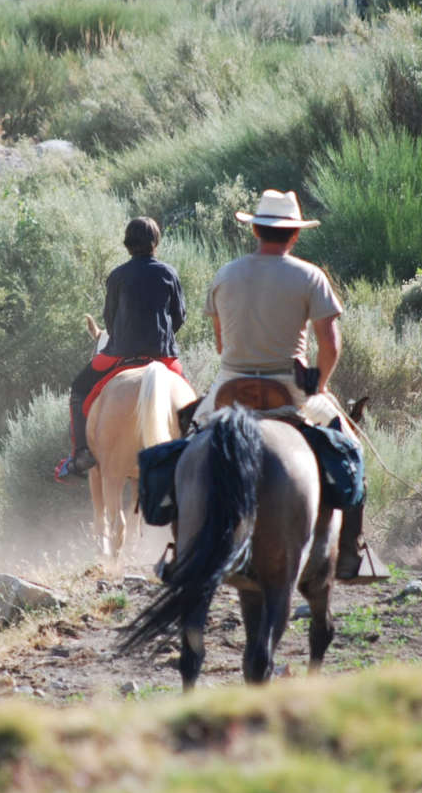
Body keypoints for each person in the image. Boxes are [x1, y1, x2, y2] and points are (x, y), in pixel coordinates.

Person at [192, 188, 371, 580]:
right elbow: (330, 344)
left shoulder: (225, 274)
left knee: (187, 439)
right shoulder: (310, 276)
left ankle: (180, 540)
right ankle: (351, 553)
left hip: (229, 385)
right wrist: (319, 384)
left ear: (256, 230)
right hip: (288, 388)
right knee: (351, 449)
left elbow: (222, 343)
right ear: (294, 235)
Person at [56, 217, 187, 480]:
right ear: (155, 242)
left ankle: (81, 454)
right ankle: (193, 452)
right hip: (163, 356)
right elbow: (180, 315)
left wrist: (124, 337)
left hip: (120, 355)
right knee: (188, 399)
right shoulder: (168, 273)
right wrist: (161, 338)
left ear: (128, 244)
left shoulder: (117, 276)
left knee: (79, 388)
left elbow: (110, 319)